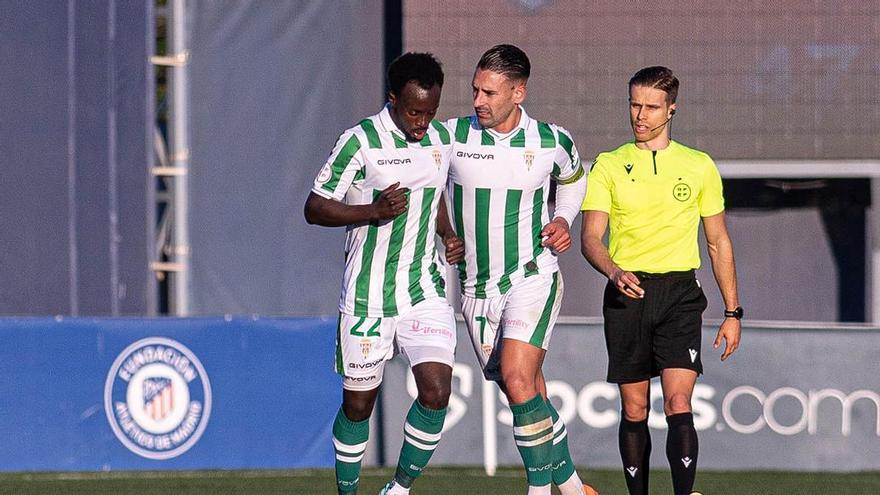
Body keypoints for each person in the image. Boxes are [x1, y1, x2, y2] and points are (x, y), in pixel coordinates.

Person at [304, 52, 463, 495]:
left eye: (430, 112)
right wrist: (371, 210)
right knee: (358, 407)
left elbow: (431, 198)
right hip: (366, 297)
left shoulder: (439, 140)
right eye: (414, 111)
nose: (422, 121)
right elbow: (314, 207)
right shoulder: (360, 141)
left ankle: (399, 489)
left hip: (423, 289)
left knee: (436, 392)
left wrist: (448, 234)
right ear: (393, 98)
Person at [580, 66, 742, 495]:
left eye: (651, 107)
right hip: (626, 293)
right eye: (635, 104)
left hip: (679, 295)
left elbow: (718, 242)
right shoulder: (610, 165)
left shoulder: (698, 165)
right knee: (634, 408)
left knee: (678, 402)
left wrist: (732, 311)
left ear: (671, 109)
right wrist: (614, 271)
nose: (641, 115)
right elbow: (591, 238)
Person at [443, 44, 596, 495]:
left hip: (532, 274)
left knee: (516, 375)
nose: (478, 101)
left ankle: (539, 491)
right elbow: (425, 189)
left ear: (518, 92)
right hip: (475, 287)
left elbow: (573, 179)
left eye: (489, 92)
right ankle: (572, 487)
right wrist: (445, 234)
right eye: (475, 90)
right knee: (524, 391)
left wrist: (564, 220)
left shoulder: (551, 140)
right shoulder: (451, 136)